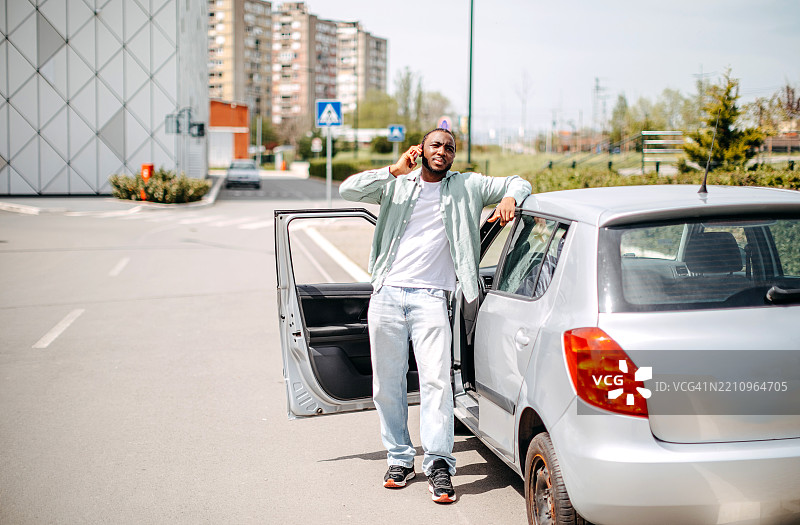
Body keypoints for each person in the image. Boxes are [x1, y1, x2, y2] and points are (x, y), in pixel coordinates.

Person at [339, 128, 532, 504]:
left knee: (437, 384)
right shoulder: (397, 185)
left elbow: (519, 181)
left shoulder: (468, 186)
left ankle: (439, 464)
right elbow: (349, 190)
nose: (443, 151)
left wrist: (509, 197)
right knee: (387, 385)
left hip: (431, 298)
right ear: (421, 150)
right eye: (436, 145)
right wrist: (393, 170)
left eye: (450, 148)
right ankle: (399, 458)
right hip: (388, 294)